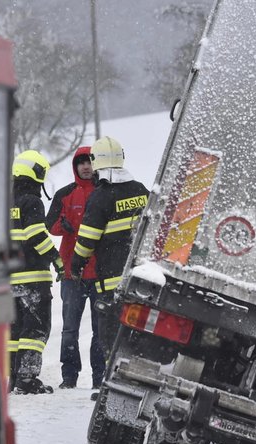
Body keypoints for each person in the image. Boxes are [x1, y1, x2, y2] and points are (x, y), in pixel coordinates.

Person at [69, 136, 150, 375]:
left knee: (111, 334)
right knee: (140, 333)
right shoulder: (141, 190)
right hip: (142, 277)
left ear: (96, 162)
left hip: (112, 281)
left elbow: (86, 240)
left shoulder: (101, 196)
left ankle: (112, 380)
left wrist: (76, 264)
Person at [46, 146, 105, 390]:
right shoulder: (64, 194)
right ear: (75, 166)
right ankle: (69, 377)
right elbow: (49, 225)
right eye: (81, 162)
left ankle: (98, 379)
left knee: (99, 330)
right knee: (70, 329)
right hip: (72, 273)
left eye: (90, 161)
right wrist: (63, 224)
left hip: (101, 273)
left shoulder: (105, 192)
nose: (86, 166)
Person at [9, 149, 64, 394]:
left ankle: (12, 378)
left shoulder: (5, 201)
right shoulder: (32, 201)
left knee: (14, 331)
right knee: (35, 331)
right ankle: (28, 380)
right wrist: (56, 259)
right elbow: (36, 236)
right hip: (33, 278)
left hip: (9, 281)